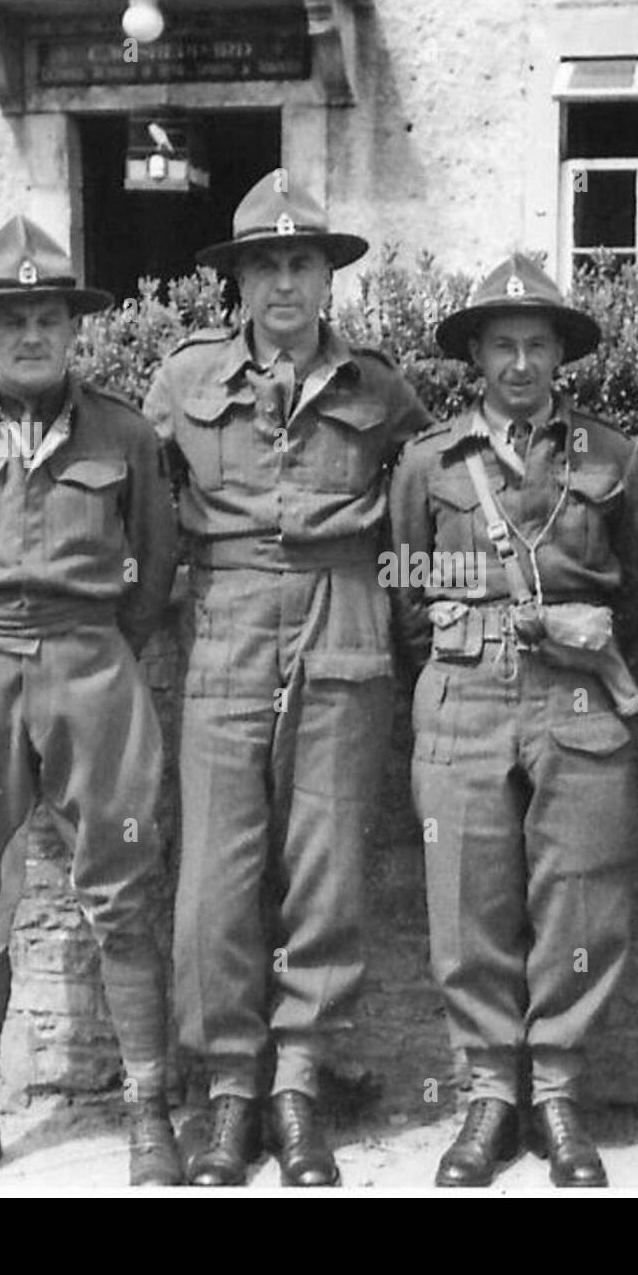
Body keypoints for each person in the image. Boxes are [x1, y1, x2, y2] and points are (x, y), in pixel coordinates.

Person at [143, 170, 431, 1187]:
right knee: (216, 872)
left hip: (341, 613)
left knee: (326, 860)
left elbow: (421, 509)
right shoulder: (181, 384)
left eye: (300, 261)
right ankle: (230, 1092)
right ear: (236, 281)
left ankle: (298, 1087)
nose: (282, 282)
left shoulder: (380, 390)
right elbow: (146, 510)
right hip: (224, 618)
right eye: (262, 263)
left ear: (327, 277)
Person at [0, 216, 179, 1184]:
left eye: (47, 316)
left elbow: (154, 569)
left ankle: (149, 1113)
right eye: (10, 317)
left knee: (126, 891)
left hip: (92, 665)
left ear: (73, 328)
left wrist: (95, 653)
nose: (30, 334)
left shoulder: (125, 434)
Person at [388, 254, 638, 1187]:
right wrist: (462, 659)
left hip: (576, 695)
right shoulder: (430, 465)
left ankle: (562, 1096)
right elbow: (408, 602)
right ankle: (489, 1094)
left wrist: (586, 638)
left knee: (581, 891)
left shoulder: (614, 458)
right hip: (462, 688)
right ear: (475, 357)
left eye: (538, 344)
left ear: (560, 356)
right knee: (467, 897)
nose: (520, 363)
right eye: (501, 344)